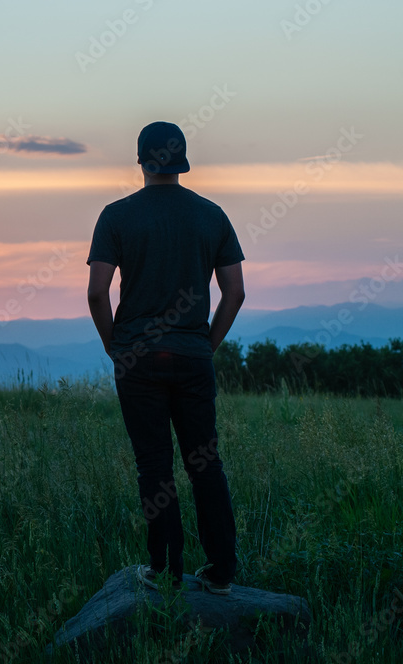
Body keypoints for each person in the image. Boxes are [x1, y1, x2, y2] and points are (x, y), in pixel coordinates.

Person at [86, 121, 245, 594]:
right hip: (193, 356)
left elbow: (97, 292)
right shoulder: (211, 215)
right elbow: (234, 293)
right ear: (182, 162)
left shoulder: (116, 216)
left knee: (154, 466)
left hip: (137, 358)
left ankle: (166, 572)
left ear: (140, 162)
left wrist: (116, 347)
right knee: (205, 463)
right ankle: (221, 572)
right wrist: (205, 345)